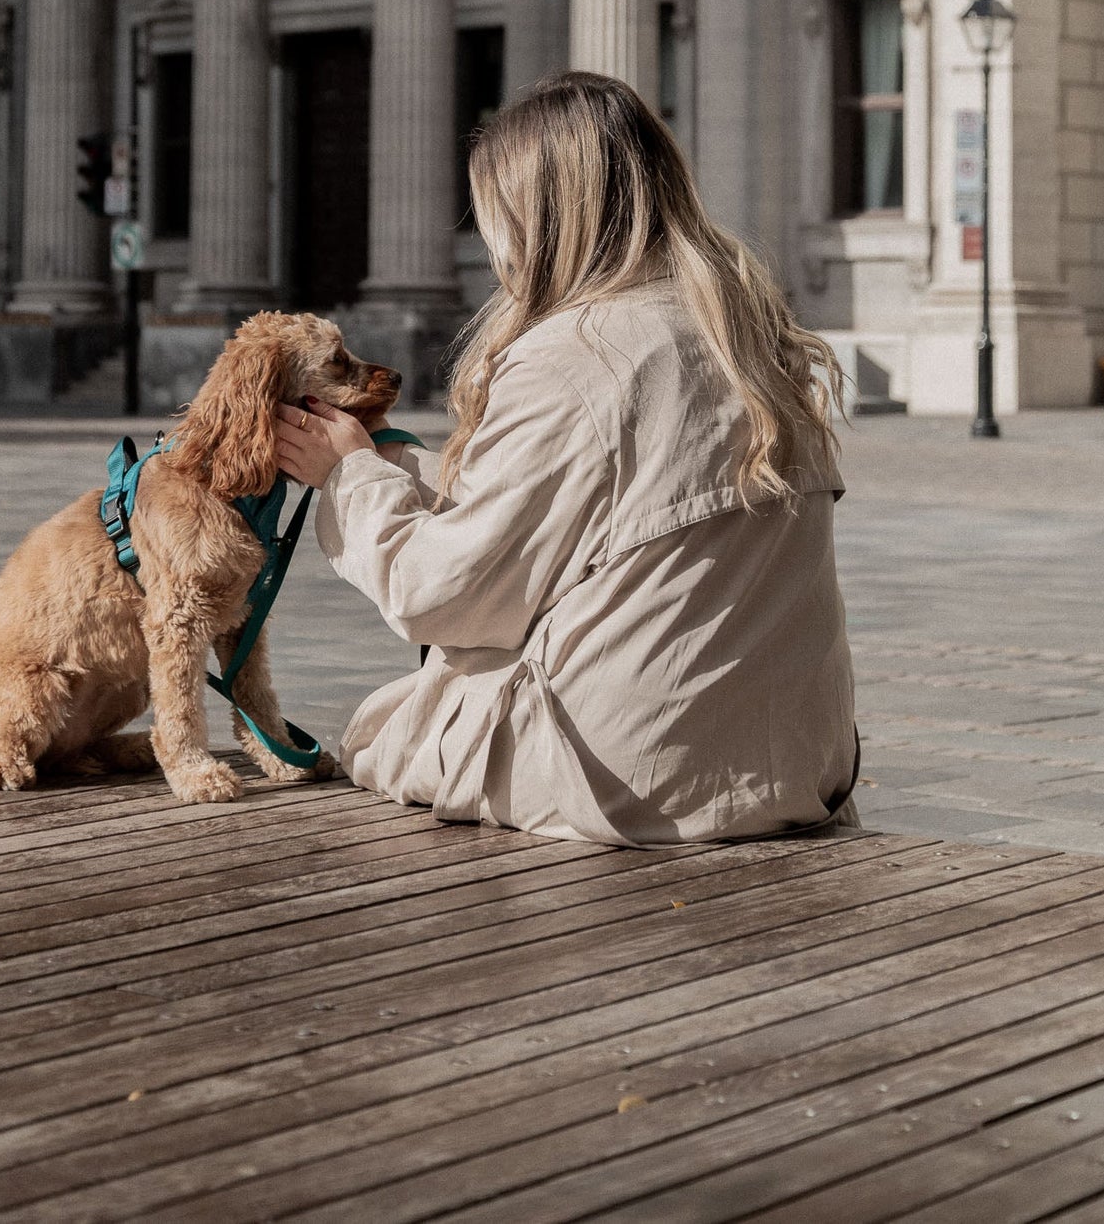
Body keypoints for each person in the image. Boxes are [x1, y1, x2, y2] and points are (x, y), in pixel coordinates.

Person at [273, 70, 859, 847]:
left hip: (629, 778)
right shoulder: (749, 335)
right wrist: (394, 460)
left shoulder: (570, 353)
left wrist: (347, 477)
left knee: (383, 731)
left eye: (493, 220)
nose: (491, 250)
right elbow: (577, 515)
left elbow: (445, 594)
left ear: (535, 219)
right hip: (788, 766)